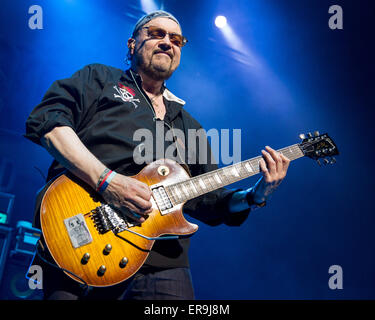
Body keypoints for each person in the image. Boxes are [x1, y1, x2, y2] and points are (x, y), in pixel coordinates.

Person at [25, 10, 290, 300]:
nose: (167, 42)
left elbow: (210, 203)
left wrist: (256, 195)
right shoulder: (99, 79)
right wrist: (108, 182)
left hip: (163, 261)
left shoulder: (190, 126)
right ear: (132, 44)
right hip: (85, 237)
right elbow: (49, 123)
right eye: (156, 34)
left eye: (176, 39)